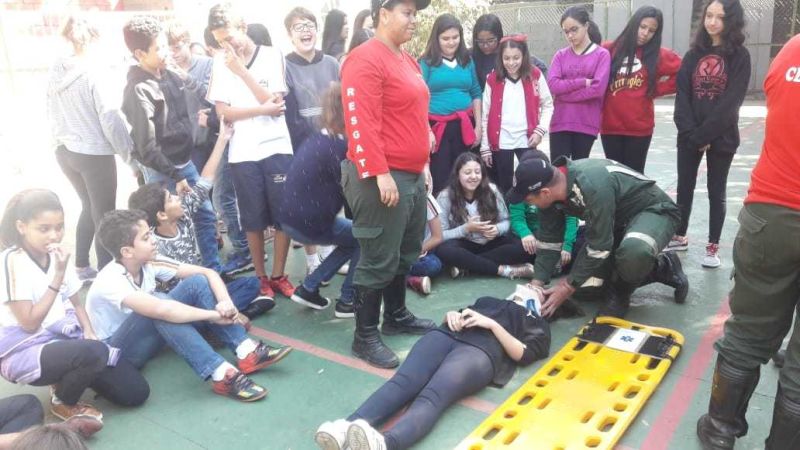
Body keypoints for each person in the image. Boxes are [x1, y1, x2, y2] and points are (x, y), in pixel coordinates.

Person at [695, 33, 800, 450]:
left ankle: (719, 429)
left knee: (747, 333)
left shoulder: (792, 51)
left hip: (771, 213)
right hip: (775, 207)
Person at [87, 209, 292, 401]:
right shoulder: (111, 280)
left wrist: (226, 303)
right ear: (127, 251)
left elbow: (207, 273)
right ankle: (220, 374)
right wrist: (213, 316)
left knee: (196, 283)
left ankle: (246, 350)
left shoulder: (149, 261)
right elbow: (162, 309)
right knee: (161, 305)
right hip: (119, 352)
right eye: (146, 238)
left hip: (150, 330)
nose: (153, 240)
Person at [314, 290, 551, 450]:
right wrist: (452, 315)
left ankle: (384, 444)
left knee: (433, 396)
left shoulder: (537, 322)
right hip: (446, 334)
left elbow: (523, 354)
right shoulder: (489, 300)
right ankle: (346, 428)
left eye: (541, 289)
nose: (532, 287)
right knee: (402, 382)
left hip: (480, 352)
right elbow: (459, 313)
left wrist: (492, 325)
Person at [340, 0, 437, 369]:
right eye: (407, 13)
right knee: (378, 256)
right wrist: (380, 173)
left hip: (410, 174)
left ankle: (395, 315)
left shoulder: (406, 59)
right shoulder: (365, 59)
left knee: (405, 251)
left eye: (415, 14)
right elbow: (360, 121)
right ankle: (364, 336)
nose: (414, 20)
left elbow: (414, 114)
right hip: (382, 176)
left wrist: (422, 162)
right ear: (383, 13)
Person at [0, 190, 150, 426]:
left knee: (136, 392)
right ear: (22, 227)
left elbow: (76, 302)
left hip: (64, 336)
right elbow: (29, 323)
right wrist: (58, 276)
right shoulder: (11, 261)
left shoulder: (56, 255)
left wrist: (89, 333)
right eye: (44, 229)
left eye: (59, 227)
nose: (54, 235)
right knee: (94, 353)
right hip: (27, 348)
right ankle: (63, 400)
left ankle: (70, 373)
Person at [127, 119, 274, 319]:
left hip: (201, 288)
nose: (178, 197)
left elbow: (205, 180)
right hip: (179, 299)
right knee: (204, 288)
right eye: (171, 198)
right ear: (162, 215)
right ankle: (221, 317)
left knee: (252, 284)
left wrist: (222, 139)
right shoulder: (153, 244)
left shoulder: (183, 214)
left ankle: (219, 315)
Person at [508, 157, 689, 319]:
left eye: (528, 200)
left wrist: (566, 287)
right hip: (615, 224)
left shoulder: (591, 185)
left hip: (653, 211)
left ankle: (629, 287)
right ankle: (655, 270)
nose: (528, 204)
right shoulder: (552, 193)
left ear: (545, 192)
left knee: (634, 252)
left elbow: (599, 246)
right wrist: (536, 284)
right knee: (586, 289)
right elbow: (549, 242)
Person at [206, 5, 296, 299]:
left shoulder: (272, 55)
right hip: (242, 152)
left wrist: (242, 72)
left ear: (243, 27)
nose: (227, 45)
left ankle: (279, 274)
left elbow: (276, 104)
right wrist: (260, 110)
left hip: (277, 147)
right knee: (252, 219)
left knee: (284, 216)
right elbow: (223, 112)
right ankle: (261, 277)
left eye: (229, 37)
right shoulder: (219, 63)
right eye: (220, 41)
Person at [121, 16, 221, 273]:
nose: (167, 52)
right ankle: (175, 276)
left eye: (166, 45)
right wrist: (176, 176)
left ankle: (213, 270)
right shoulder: (138, 90)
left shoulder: (170, 73)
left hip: (184, 161)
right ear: (140, 54)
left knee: (205, 214)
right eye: (159, 48)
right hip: (161, 169)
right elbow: (147, 147)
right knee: (165, 227)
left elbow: (197, 97)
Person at [47, 16, 132, 280]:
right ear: (95, 39)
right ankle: (108, 275)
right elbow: (110, 117)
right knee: (105, 214)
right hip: (93, 152)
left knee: (89, 206)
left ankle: (82, 266)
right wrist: (128, 154)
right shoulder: (95, 71)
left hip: (64, 149)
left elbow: (50, 109)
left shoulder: (57, 70)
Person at [670, 0, 751, 269]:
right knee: (684, 187)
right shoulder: (692, 55)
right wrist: (692, 134)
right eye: (709, 15)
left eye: (720, 17)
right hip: (689, 136)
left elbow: (731, 103)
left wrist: (705, 135)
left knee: (717, 191)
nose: (713, 22)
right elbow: (682, 98)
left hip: (721, 137)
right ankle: (679, 235)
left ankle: (712, 246)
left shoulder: (740, 56)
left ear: (732, 21)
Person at [280, 83, 359, 318]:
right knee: (365, 238)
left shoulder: (318, 138)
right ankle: (348, 300)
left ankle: (309, 287)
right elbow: (353, 188)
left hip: (289, 219)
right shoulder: (340, 146)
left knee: (352, 239)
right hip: (308, 223)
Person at [600, 6, 682, 174]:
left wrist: (656, 89)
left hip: (639, 129)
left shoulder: (659, 55)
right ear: (634, 24)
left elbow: (684, 72)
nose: (645, 33)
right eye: (642, 27)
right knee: (615, 176)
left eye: (651, 31)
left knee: (635, 177)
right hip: (610, 127)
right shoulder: (609, 49)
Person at [435, 153, 534, 279]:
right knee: (444, 250)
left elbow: (506, 221)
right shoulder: (445, 196)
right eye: (467, 172)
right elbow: (440, 235)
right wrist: (466, 229)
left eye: (477, 172)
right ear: (457, 175)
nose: (473, 176)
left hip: (490, 243)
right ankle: (504, 270)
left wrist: (497, 229)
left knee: (525, 248)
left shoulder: (492, 190)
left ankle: (466, 265)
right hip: (464, 244)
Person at [480, 34, 553, 194]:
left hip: (527, 140)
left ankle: (528, 210)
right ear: (500, 58)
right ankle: (507, 210)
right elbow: (485, 115)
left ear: (524, 56)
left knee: (530, 183)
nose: (511, 63)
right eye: (506, 58)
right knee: (504, 185)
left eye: (516, 58)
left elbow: (548, 104)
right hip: (501, 141)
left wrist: (540, 131)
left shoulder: (535, 75)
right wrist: (485, 147)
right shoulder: (492, 79)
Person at [420, 13, 482, 194]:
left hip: (465, 126)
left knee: (466, 174)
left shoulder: (467, 60)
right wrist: (427, 130)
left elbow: (476, 92)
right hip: (437, 128)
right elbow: (418, 97)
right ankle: (441, 212)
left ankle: (466, 209)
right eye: (445, 38)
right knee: (441, 176)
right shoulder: (426, 62)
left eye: (455, 37)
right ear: (436, 38)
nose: (451, 42)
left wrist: (478, 126)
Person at [547, 6, 611, 161]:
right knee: (558, 169)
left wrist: (564, 95)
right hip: (560, 122)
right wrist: (582, 82)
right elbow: (553, 85)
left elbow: (597, 90)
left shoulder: (602, 55)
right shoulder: (560, 55)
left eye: (574, 29)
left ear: (586, 26)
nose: (570, 35)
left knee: (578, 170)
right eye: (566, 31)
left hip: (586, 123)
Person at [508, 150, 579, 274]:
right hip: (533, 237)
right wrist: (525, 234)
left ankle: (544, 267)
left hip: (558, 235)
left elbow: (571, 219)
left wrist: (567, 245)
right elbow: (517, 217)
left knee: (581, 246)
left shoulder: (559, 188)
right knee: (519, 249)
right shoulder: (520, 190)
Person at [471, 13, 548, 92]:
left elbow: (541, 66)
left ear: (499, 36)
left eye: (490, 41)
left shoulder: (507, 52)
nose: (485, 45)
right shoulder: (471, 57)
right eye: (480, 41)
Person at [406, 194, 443, 295]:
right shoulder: (388, 194)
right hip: (393, 253)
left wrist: (416, 251)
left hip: (420, 251)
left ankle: (404, 278)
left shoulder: (426, 198)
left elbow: (437, 237)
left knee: (433, 265)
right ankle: (410, 280)